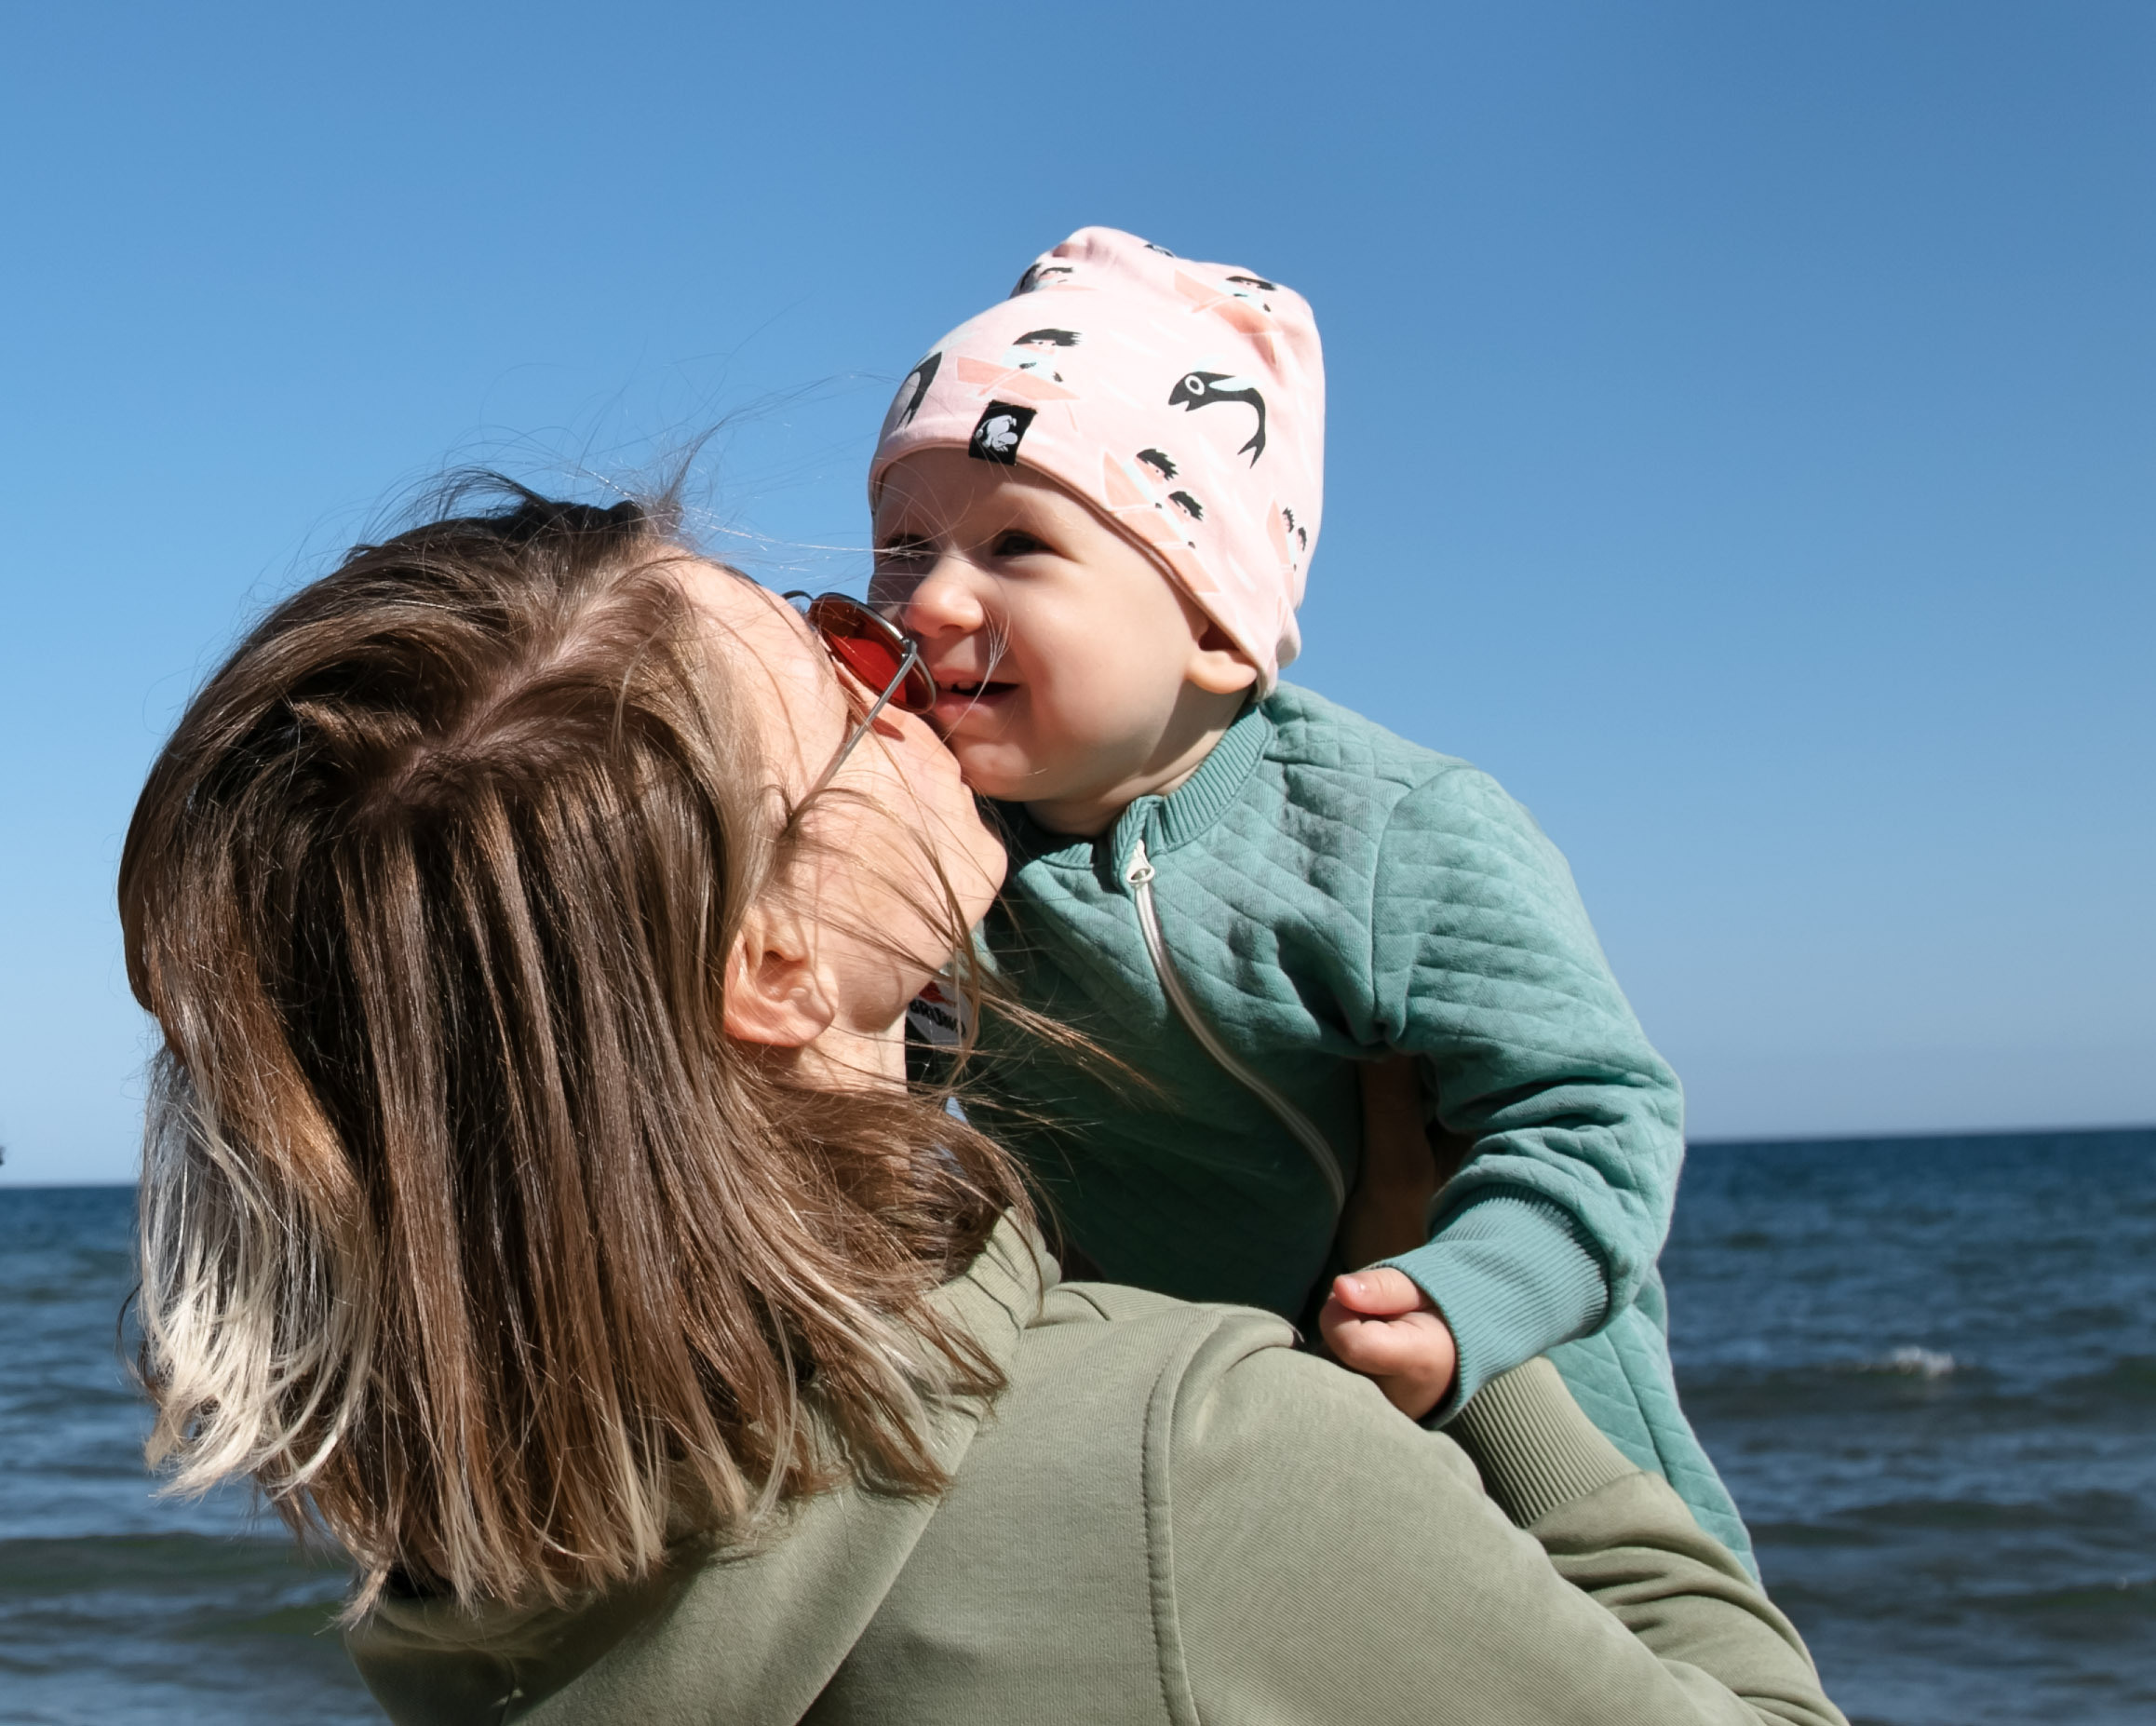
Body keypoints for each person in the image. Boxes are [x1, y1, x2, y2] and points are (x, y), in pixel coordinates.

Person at [120, 488, 1839, 1723]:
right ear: (778, 968)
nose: (914, 674)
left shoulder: (466, 1575)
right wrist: (1483, 1353)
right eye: (846, 695)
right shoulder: (1193, 1473)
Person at [869, 225, 1755, 1569]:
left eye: (1016, 545)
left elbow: (1596, 1103)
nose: (932, 598)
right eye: (900, 544)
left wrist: (1471, 1295)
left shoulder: (1387, 831)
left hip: (1505, 1436)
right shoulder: (931, 829)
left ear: (1218, 626)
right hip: (1204, 1459)